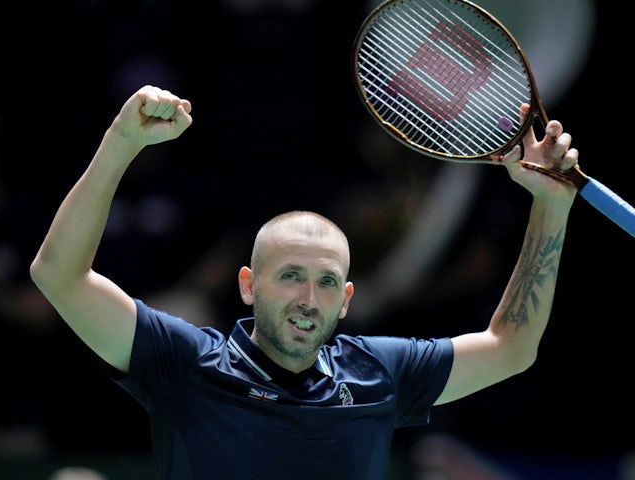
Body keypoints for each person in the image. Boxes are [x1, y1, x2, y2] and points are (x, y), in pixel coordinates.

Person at [29, 85, 579, 480]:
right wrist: (122, 141)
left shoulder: (380, 372)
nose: (307, 299)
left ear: (346, 301)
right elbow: (58, 276)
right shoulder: (186, 363)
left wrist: (549, 207)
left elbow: (511, 348)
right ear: (248, 285)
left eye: (326, 282)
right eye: (290, 276)